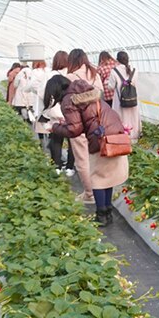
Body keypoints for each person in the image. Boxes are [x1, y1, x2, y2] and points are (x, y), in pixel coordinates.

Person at [49, 78, 129, 227]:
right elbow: (85, 118)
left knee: (97, 179)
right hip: (113, 134)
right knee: (107, 178)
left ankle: (101, 215)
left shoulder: (68, 100)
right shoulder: (88, 92)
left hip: (99, 140)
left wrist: (54, 128)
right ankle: (108, 211)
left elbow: (74, 129)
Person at [65, 49, 104, 204]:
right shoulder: (94, 74)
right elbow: (101, 94)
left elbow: (67, 101)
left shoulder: (70, 77)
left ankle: (90, 194)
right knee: (97, 157)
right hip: (97, 120)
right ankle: (100, 189)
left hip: (79, 122)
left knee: (82, 159)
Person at [37, 51, 74, 175]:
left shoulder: (49, 75)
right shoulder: (71, 74)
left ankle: (57, 166)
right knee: (72, 140)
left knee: (56, 139)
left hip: (54, 112)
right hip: (70, 112)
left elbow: (41, 93)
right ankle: (70, 167)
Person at [106, 50, 141, 141]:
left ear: (117, 60)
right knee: (133, 117)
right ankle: (134, 136)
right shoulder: (135, 70)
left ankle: (123, 137)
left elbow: (110, 87)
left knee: (121, 118)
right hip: (133, 98)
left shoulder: (114, 71)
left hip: (120, 100)